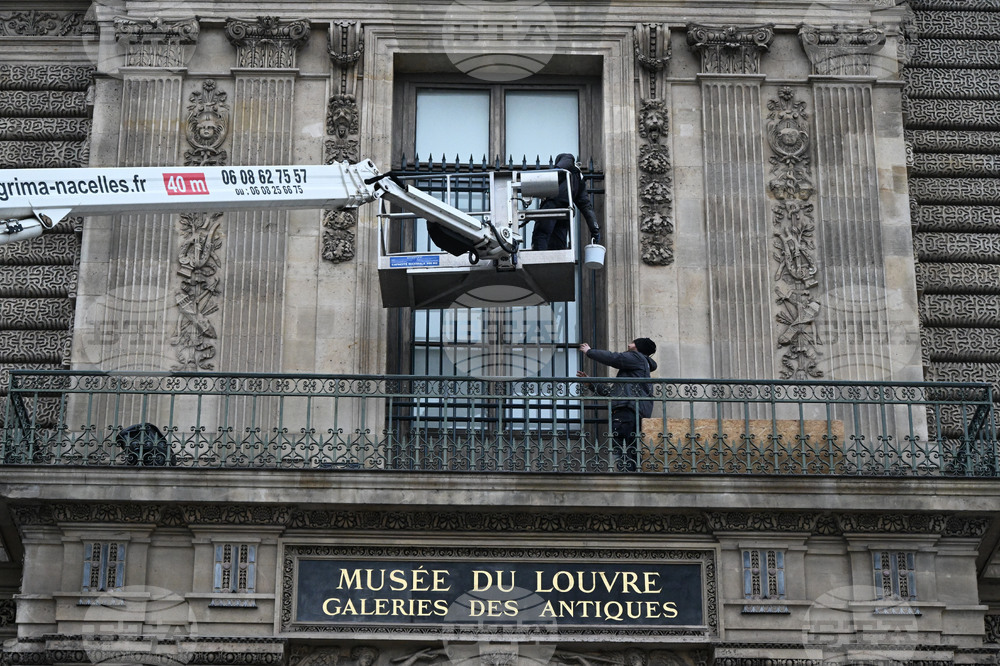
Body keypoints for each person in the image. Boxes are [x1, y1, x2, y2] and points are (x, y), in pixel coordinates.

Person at [576, 337, 657, 471]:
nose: (628, 344)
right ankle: (631, 473)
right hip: (634, 410)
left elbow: (615, 358)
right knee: (631, 446)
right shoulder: (635, 371)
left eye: (632, 342)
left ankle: (627, 475)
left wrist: (590, 352)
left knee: (620, 444)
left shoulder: (637, 358)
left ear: (637, 347)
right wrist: (591, 383)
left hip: (627, 410)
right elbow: (611, 392)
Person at [532, 152, 601, 251]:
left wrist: (549, 175)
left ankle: (538, 262)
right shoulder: (579, 180)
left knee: (541, 235)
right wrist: (594, 229)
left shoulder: (567, 162)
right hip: (565, 211)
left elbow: (565, 162)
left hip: (551, 206)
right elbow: (586, 207)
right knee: (558, 244)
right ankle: (556, 265)